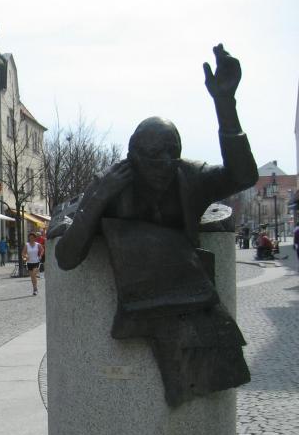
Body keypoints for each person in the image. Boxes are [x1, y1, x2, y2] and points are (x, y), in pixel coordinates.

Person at [51, 44, 257, 407]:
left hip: (183, 292)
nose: (163, 164)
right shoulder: (113, 185)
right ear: (133, 155)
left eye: (170, 153)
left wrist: (225, 104)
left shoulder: (188, 176)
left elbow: (242, 176)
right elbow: (66, 257)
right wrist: (96, 201)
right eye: (152, 155)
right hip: (145, 297)